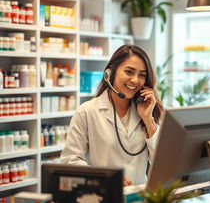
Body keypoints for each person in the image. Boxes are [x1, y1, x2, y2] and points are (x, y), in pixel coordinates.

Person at [60, 45, 163, 186]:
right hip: (103, 196)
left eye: (142, 75)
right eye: (129, 72)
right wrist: (105, 177)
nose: (135, 80)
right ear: (111, 73)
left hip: (138, 199)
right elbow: (69, 161)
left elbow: (162, 162)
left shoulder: (147, 113)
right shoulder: (87, 111)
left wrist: (148, 119)